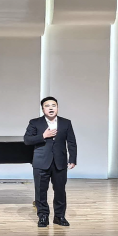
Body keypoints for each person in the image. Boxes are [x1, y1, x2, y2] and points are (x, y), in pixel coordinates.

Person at [23, 97, 77, 227]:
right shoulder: (35, 122)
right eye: (47, 106)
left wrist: (72, 159)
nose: (51, 108)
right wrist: (43, 136)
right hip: (41, 161)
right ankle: (43, 217)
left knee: (60, 190)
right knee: (40, 191)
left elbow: (71, 142)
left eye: (54, 105)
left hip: (60, 162)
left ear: (57, 107)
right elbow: (27, 140)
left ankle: (59, 216)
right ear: (43, 109)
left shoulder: (66, 123)